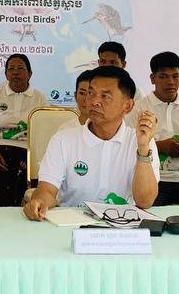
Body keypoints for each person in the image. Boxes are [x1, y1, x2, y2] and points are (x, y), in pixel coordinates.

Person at [24, 66, 158, 218]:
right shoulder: (63, 140)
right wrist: (40, 201)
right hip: (71, 225)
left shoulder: (141, 141)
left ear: (127, 106)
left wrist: (142, 149)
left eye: (105, 96)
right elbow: (47, 189)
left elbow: (145, 201)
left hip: (123, 226)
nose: (94, 101)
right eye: (91, 93)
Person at [129, 51, 179, 207]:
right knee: (147, 215)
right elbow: (127, 145)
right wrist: (160, 147)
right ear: (152, 78)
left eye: (175, 76)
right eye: (163, 76)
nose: (171, 82)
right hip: (155, 179)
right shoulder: (139, 108)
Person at [0, 54, 47, 206]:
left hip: (28, 151)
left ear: (30, 74)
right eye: (11, 69)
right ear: (6, 74)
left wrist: (33, 158)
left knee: (25, 184)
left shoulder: (39, 97)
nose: (15, 72)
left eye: (20, 68)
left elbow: (43, 131)